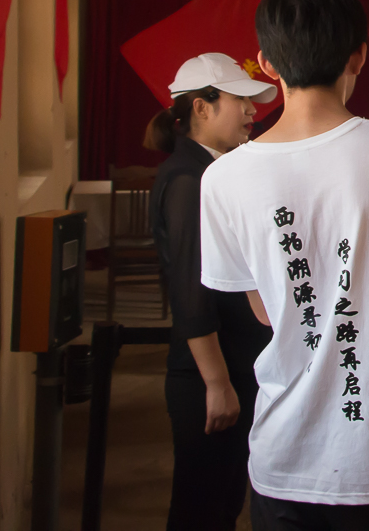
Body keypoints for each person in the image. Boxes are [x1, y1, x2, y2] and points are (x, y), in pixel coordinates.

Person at [199, 0, 369, 530]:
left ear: (265, 64)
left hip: (285, 459)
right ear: (359, 55)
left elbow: (266, 312)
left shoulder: (223, 178)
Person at [144, 52, 279, 531]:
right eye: (240, 100)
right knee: (201, 511)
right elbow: (191, 296)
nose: (252, 110)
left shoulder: (213, 170)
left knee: (223, 503)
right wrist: (218, 385)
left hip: (235, 363)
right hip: (209, 373)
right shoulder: (189, 179)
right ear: (201, 107)